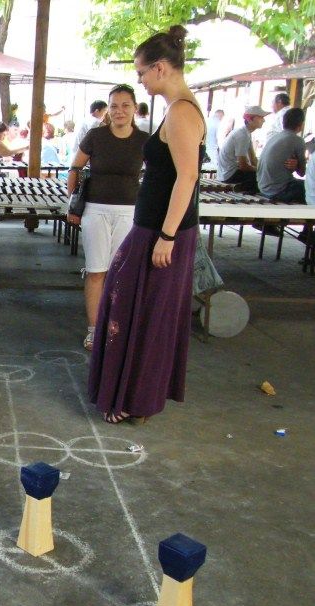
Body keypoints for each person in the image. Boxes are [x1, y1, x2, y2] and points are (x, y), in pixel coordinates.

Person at [88, 24, 206, 424]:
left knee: (144, 313)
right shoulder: (177, 109)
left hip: (162, 230)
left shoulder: (182, 111)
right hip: (153, 227)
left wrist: (167, 236)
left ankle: (134, 399)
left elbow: (187, 177)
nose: (139, 80)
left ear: (160, 68)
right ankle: (131, 395)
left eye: (141, 72)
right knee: (134, 307)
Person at [67, 84, 150, 352]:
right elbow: (75, 167)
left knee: (121, 272)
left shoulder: (144, 140)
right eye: (114, 106)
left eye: (125, 105)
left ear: (134, 108)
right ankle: (94, 329)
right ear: (108, 109)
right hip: (95, 210)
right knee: (96, 271)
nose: (119, 111)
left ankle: (116, 326)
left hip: (129, 212)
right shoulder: (96, 136)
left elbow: (155, 175)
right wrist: (72, 205)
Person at [257, 107, 307, 203]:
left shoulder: (275, 137)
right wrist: (297, 166)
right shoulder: (297, 140)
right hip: (277, 192)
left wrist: (295, 165)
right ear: (301, 125)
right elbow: (302, 172)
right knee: (310, 187)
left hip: (262, 188)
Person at [217, 105, 267, 192]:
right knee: (263, 180)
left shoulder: (246, 133)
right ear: (250, 119)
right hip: (229, 175)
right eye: (261, 117)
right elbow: (243, 166)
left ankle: (244, 187)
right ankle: (243, 187)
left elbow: (253, 159)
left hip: (227, 173)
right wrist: (260, 170)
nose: (264, 120)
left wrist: (262, 169)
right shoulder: (242, 135)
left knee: (263, 175)